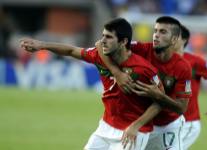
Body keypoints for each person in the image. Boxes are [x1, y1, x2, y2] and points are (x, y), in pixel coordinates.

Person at [20, 18, 165, 150]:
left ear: (123, 42)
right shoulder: (99, 55)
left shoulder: (145, 70)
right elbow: (71, 50)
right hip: (106, 127)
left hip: (133, 131)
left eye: (108, 37)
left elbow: (160, 101)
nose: (102, 41)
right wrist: (42, 45)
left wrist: (135, 126)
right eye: (103, 36)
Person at [96, 16, 192, 150]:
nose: (156, 36)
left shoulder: (183, 67)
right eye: (155, 31)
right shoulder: (142, 49)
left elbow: (182, 108)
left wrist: (159, 96)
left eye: (162, 32)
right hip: (142, 124)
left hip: (168, 126)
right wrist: (117, 73)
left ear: (174, 39)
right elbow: (99, 46)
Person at [175, 25, 207, 150]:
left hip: (188, 123)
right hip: (166, 123)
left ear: (183, 40)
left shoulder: (195, 61)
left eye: (173, 35)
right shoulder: (159, 59)